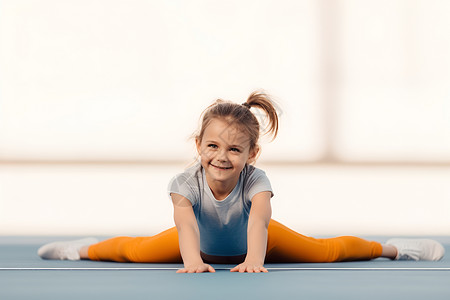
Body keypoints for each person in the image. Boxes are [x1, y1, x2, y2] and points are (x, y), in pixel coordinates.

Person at [38, 91, 445, 273]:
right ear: (198, 145)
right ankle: (81, 250)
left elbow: (259, 222)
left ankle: (395, 249)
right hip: (201, 244)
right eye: (212, 146)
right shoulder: (184, 182)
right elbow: (186, 225)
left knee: (328, 251)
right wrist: (193, 261)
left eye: (234, 150)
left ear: (252, 154)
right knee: (134, 249)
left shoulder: (257, 180)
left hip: (258, 244)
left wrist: (254, 259)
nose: (221, 157)